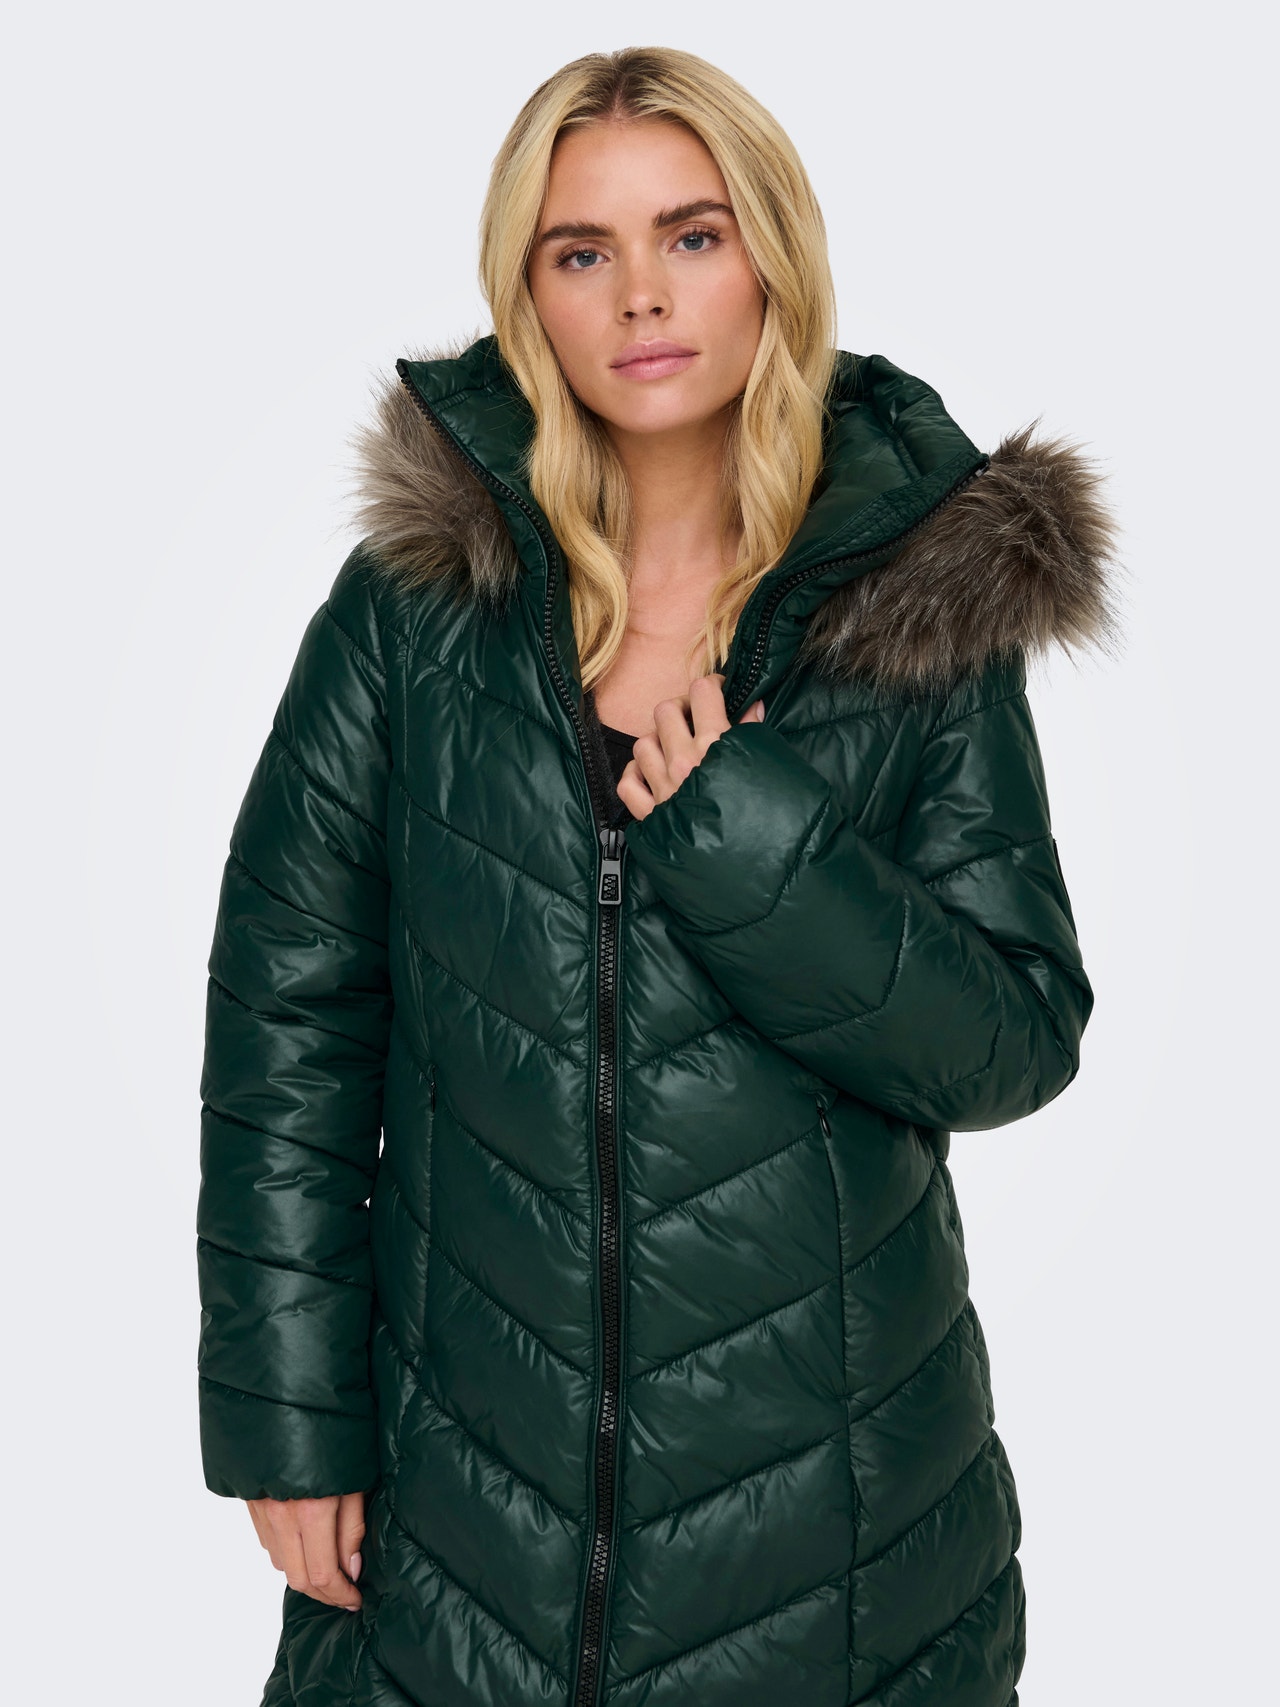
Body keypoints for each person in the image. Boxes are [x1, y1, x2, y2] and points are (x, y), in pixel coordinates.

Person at [196, 45, 1119, 1707]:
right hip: (458, 1528)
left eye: (692, 235)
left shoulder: (919, 611)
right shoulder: (414, 610)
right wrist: (286, 1416)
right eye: (582, 250)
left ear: (772, 254)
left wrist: (755, 843)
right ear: (528, 293)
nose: (641, 294)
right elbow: (289, 1027)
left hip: (838, 1554)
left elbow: (1012, 1042)